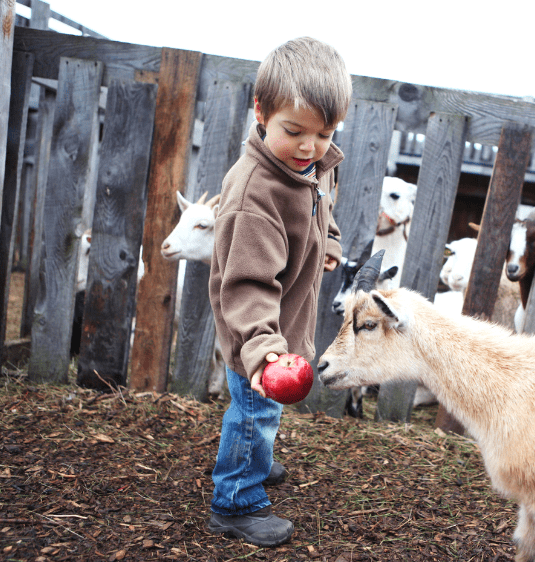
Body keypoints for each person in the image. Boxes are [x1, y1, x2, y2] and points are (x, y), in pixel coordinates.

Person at [207, 37, 352, 547]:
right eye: (295, 131)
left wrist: (328, 240)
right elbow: (246, 283)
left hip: (279, 322)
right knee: (255, 407)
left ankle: (253, 457)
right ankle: (236, 501)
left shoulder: (304, 169)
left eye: (324, 133)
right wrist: (266, 351)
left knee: (257, 413)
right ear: (261, 112)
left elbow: (320, 206)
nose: (310, 146)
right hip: (259, 331)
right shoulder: (256, 193)